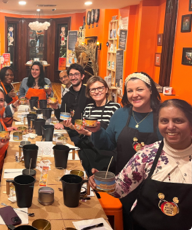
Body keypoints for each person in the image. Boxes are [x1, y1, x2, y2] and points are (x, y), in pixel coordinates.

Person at [89, 99, 192, 230]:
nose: (170, 126)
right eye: (164, 121)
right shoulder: (147, 154)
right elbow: (120, 188)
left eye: (178, 120)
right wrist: (101, 181)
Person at [87, 72, 162, 229]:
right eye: (130, 91)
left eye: (139, 89)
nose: (134, 95)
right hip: (123, 184)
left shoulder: (162, 115)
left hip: (153, 187)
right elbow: (107, 145)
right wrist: (97, 131)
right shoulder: (120, 114)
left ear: (150, 90)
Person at [73, 76, 120, 175]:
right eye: (93, 89)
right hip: (88, 149)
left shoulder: (115, 107)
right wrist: (80, 130)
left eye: (100, 88)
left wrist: (89, 133)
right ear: (89, 93)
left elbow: (113, 137)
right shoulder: (88, 108)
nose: (97, 91)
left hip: (105, 152)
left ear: (106, 89)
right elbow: (84, 128)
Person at [51, 63, 92, 144]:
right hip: (71, 132)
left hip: (86, 134)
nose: (73, 77)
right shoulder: (67, 96)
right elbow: (63, 117)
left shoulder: (89, 93)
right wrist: (56, 108)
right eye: (71, 75)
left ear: (82, 76)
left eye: (76, 74)